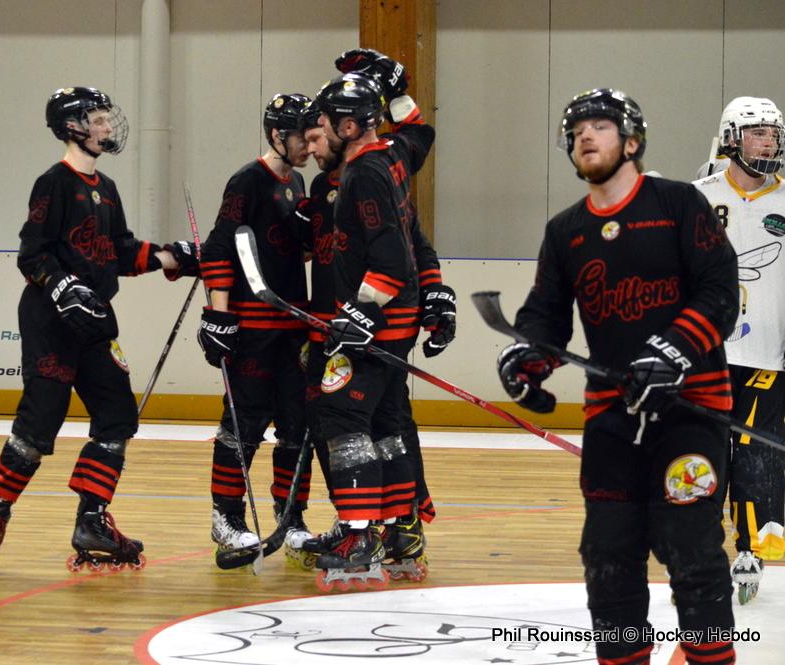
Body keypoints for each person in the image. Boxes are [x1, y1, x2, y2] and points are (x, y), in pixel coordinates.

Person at [496, 89, 737, 665]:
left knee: (691, 551)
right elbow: (545, 314)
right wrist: (529, 358)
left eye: (600, 126)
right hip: (612, 419)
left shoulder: (679, 204)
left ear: (631, 141)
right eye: (576, 130)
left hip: (692, 411)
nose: (585, 135)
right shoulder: (566, 231)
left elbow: (720, 293)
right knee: (607, 558)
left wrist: (673, 351)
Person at [0, 86, 198, 577]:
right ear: (73, 126)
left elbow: (121, 251)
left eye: (107, 118)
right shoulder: (53, 183)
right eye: (98, 118)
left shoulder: (106, 188)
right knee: (39, 423)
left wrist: (172, 256)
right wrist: (61, 284)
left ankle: (91, 520)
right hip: (50, 321)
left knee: (118, 416)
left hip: (94, 322)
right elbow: (32, 253)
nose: (108, 126)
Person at [292, 72, 451, 582]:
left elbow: (391, 259)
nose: (315, 137)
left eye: (321, 127)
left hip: (379, 324)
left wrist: (361, 312)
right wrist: (398, 88)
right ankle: (397, 530)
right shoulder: (392, 156)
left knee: (342, 417)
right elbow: (419, 132)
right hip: (397, 323)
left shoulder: (363, 173)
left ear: (346, 127)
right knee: (386, 423)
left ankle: (359, 532)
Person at [196, 93, 312, 563]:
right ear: (277, 135)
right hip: (253, 328)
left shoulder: (298, 181)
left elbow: (292, 252)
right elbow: (218, 249)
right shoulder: (247, 180)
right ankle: (226, 517)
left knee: (297, 428)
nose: (309, 145)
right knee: (242, 427)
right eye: (302, 136)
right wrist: (219, 315)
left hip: (293, 326)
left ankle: (292, 516)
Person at [693, 96, 785, 604]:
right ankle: (701, 553)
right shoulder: (697, 198)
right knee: (705, 453)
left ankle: (750, 550)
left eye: (773, 133)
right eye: (758, 133)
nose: (768, 142)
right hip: (707, 354)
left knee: (756, 454)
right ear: (732, 138)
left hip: (770, 356)